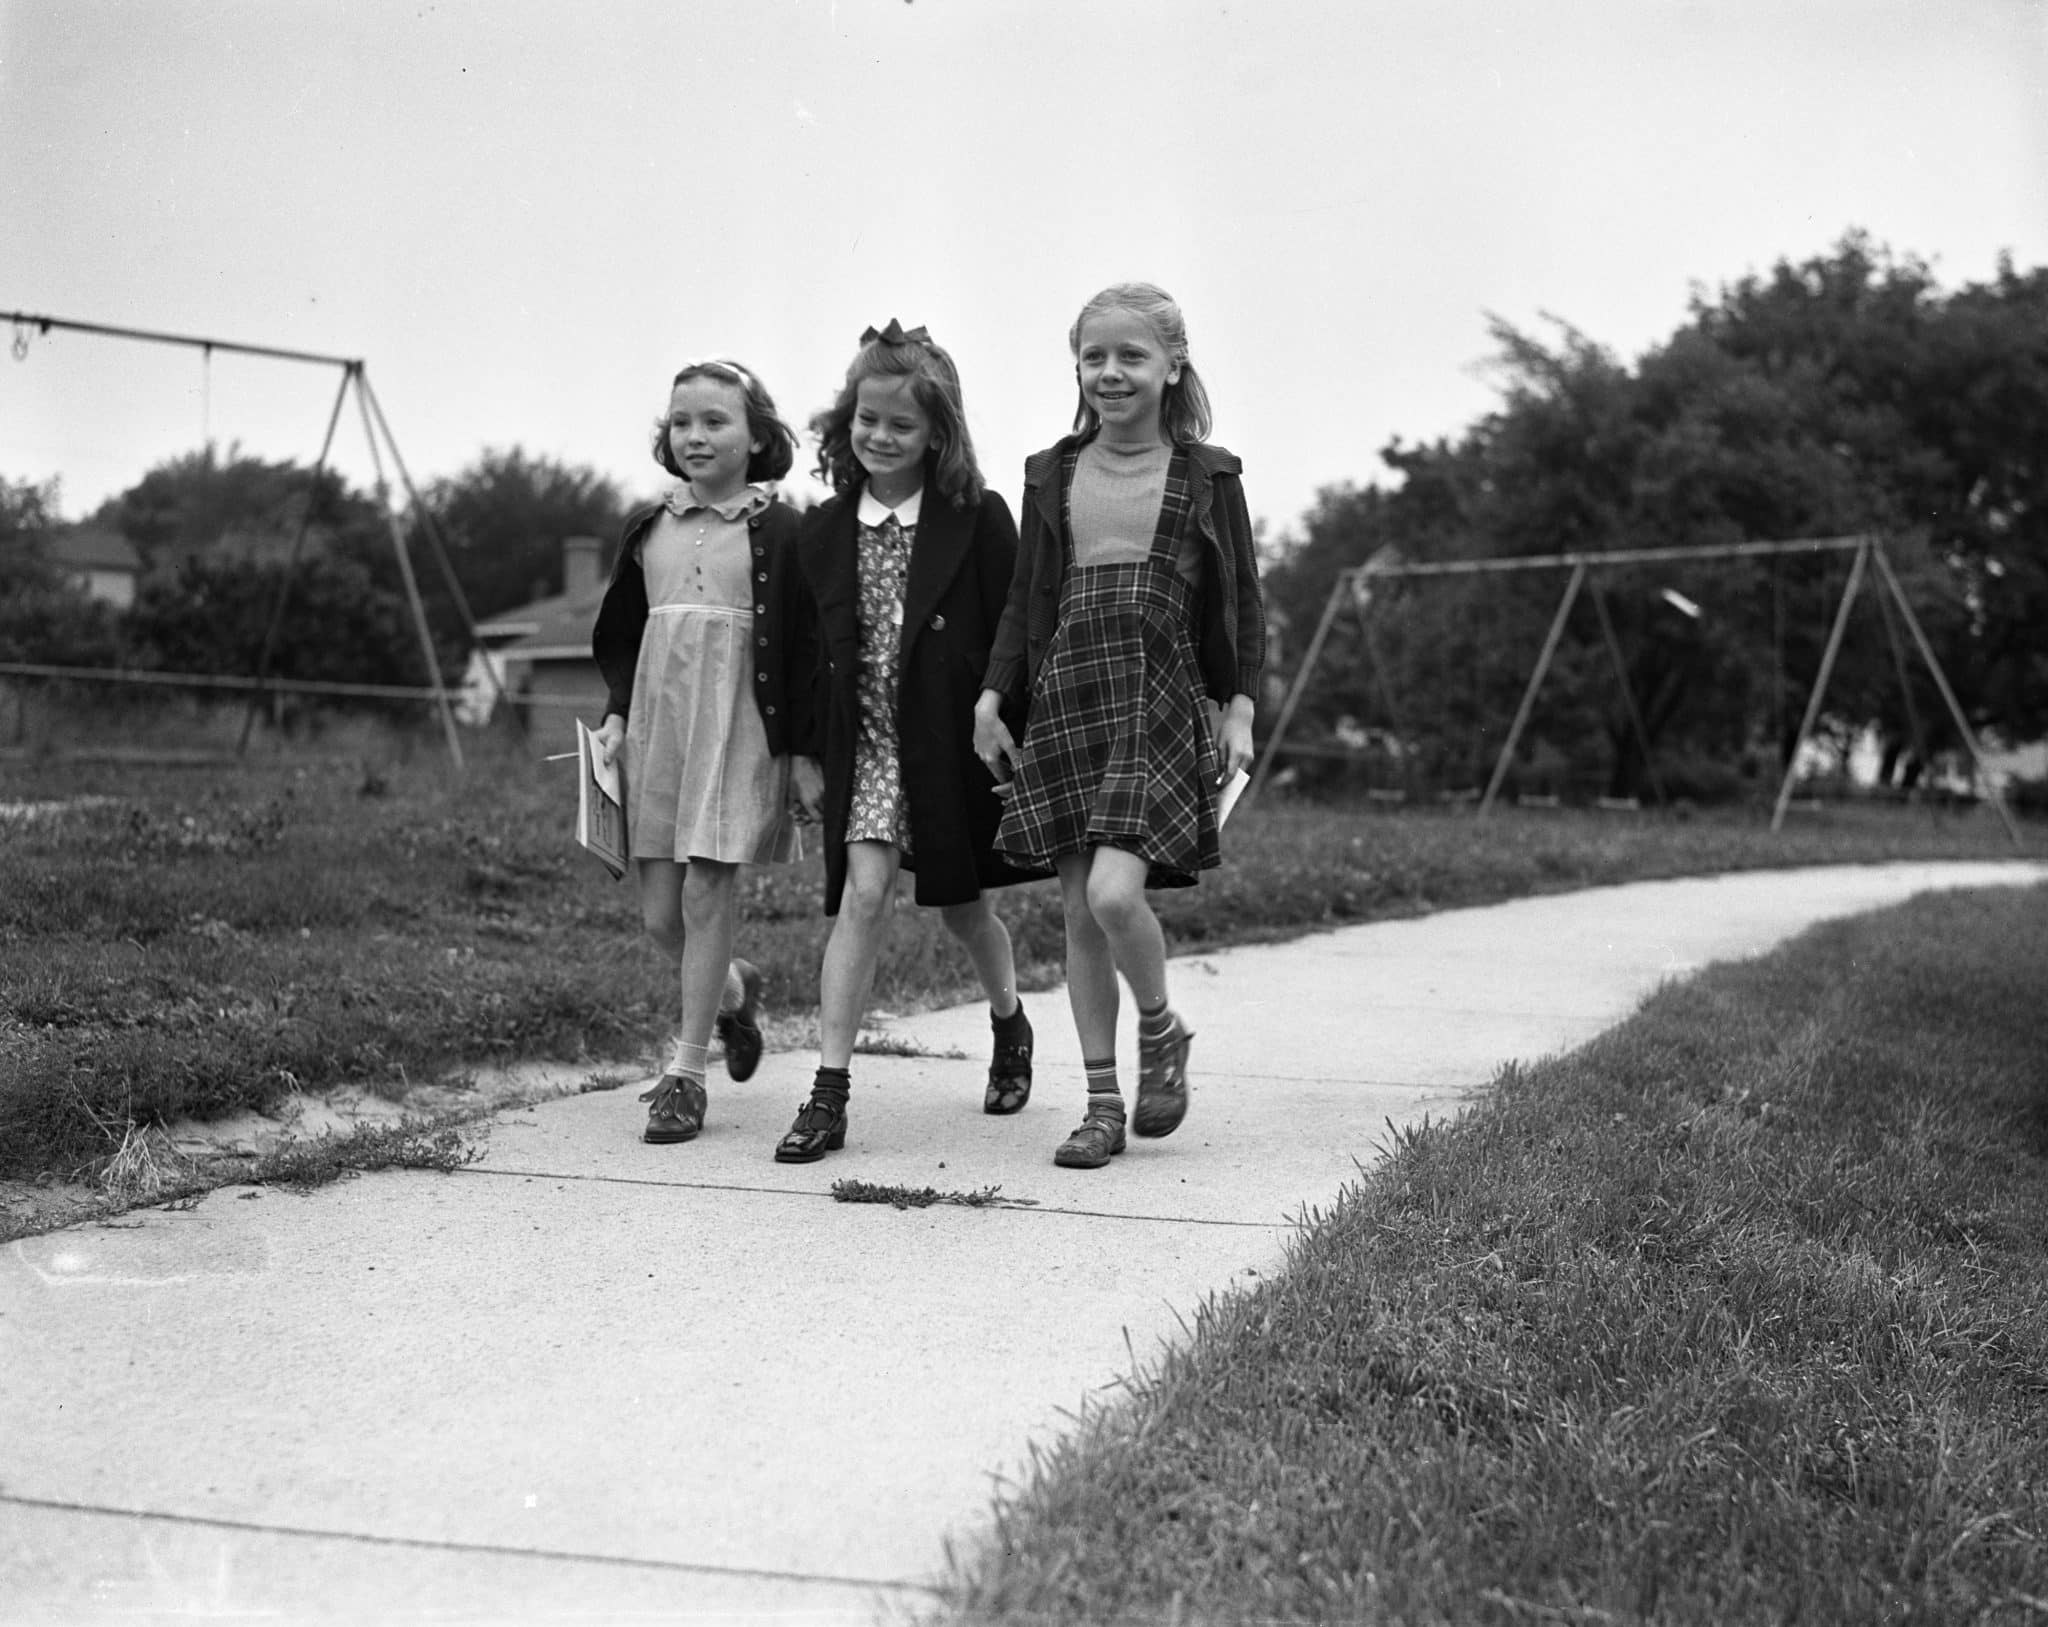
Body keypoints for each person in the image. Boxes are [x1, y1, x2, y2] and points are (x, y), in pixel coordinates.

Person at [972, 283, 1264, 1170]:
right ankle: (1102, 1105)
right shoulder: (1050, 472)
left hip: (1159, 693)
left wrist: (1242, 705)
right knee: (1076, 909)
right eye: (1094, 357)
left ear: (1172, 366)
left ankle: (1162, 1028)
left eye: (1131, 356)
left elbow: (1242, 601)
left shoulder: (1208, 474)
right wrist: (993, 695)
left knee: (1112, 894)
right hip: (1068, 691)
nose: (1110, 373)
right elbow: (1028, 598)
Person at [776, 320, 1038, 1164]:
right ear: (844, 422)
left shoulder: (978, 520)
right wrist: (805, 754)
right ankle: (828, 1092)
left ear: (937, 434)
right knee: (865, 892)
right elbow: (796, 655)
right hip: (869, 748)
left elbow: (1018, 625)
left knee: (966, 911)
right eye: (866, 421)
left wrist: (1007, 721)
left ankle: (1009, 1019)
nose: (880, 438)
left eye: (901, 425)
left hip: (949, 742)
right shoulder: (818, 533)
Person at [591, 358, 823, 1145]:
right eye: (682, 421)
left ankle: (686, 1074)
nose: (695, 435)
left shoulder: (781, 530)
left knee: (706, 894)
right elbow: (624, 635)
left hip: (739, 726)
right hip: (659, 731)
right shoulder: (647, 524)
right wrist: (617, 715)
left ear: (757, 436)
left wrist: (803, 752)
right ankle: (733, 987)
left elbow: (803, 647)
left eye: (715, 421)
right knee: (660, 916)